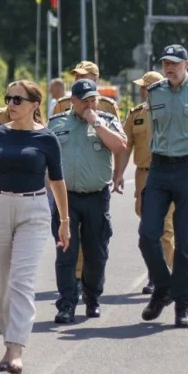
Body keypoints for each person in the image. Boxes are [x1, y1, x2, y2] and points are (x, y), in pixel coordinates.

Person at [0, 81, 68, 374]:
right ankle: (8, 339)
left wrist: (64, 222)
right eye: (8, 98)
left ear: (34, 104)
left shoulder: (48, 139)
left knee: (22, 280)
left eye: (17, 99)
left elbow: (57, 181)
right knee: (2, 285)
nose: (10, 104)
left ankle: (16, 348)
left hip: (34, 210)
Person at [138, 44, 188, 328]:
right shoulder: (155, 91)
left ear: (187, 64)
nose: (169, 68)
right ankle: (163, 289)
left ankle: (183, 304)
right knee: (147, 234)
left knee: (185, 244)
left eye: (174, 63)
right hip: (160, 169)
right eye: (165, 63)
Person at [48, 79, 127, 323]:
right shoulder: (57, 122)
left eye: (93, 99)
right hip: (66, 198)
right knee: (66, 252)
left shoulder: (107, 120)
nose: (90, 104)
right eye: (84, 100)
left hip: (96, 196)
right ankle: (67, 304)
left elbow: (120, 146)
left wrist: (96, 122)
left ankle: (92, 298)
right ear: (73, 101)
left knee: (96, 252)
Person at [116, 70, 175, 295]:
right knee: (149, 232)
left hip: (168, 174)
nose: (140, 90)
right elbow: (125, 145)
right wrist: (118, 174)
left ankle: (177, 278)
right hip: (143, 177)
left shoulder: (172, 110)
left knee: (165, 231)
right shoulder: (136, 114)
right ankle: (156, 276)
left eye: (144, 86)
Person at [51, 61, 119, 117]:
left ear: (95, 79)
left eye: (82, 76)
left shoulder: (109, 106)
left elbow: (117, 132)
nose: (78, 79)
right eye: (77, 76)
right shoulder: (62, 104)